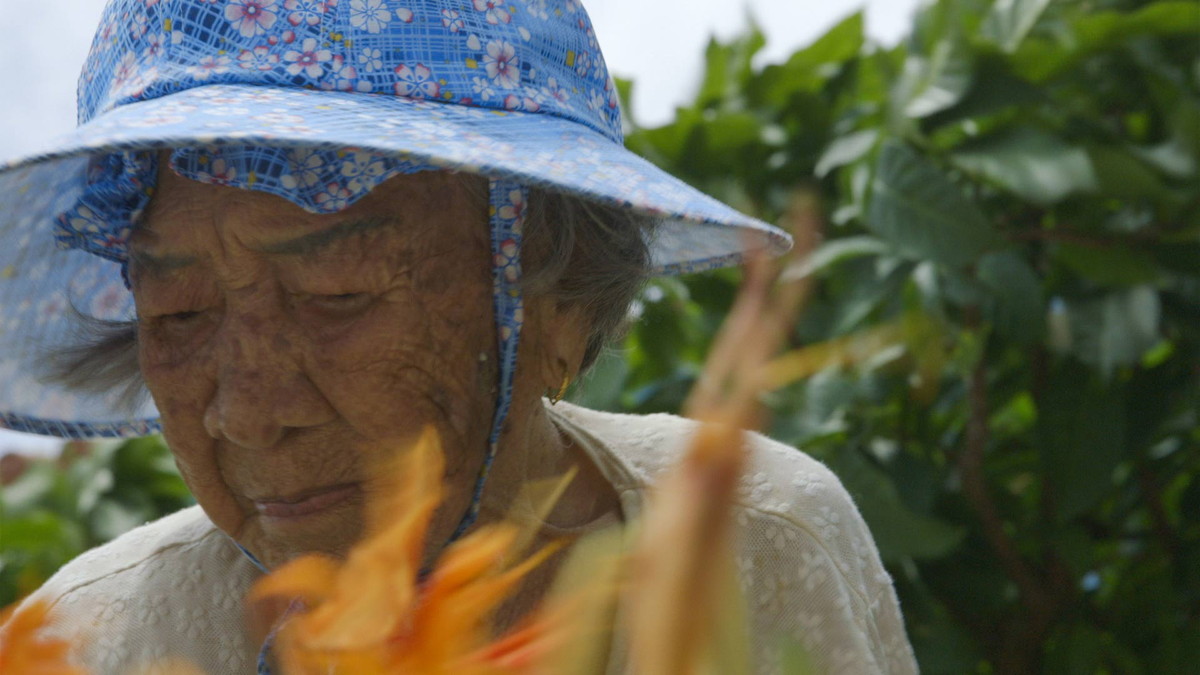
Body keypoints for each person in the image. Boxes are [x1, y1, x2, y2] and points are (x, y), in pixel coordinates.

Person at [0, 0, 918, 672]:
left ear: (556, 304)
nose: (247, 412)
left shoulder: (759, 544)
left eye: (336, 294)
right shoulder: (86, 647)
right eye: (181, 314)